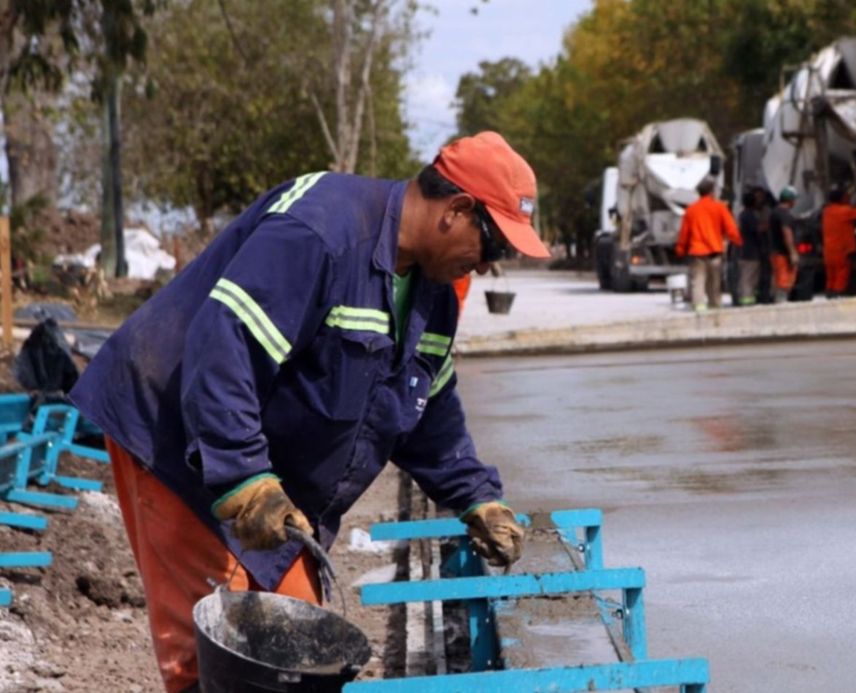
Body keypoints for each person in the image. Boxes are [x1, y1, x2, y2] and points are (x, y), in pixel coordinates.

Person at [69, 132, 541, 692]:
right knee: (219, 653)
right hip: (179, 436)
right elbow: (226, 346)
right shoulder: (322, 229)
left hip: (260, 467)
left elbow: (425, 407)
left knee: (295, 654)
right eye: (493, 247)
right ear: (457, 210)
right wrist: (245, 478)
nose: (488, 266)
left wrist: (476, 496)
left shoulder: (434, 295)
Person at [676, 176, 740, 311]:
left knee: (697, 282)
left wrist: (681, 249)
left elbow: (684, 233)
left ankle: (699, 309)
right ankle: (715, 308)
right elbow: (731, 229)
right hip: (715, 253)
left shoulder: (691, 210)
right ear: (712, 191)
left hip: (697, 253)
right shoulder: (719, 208)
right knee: (715, 284)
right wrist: (739, 242)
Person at [821, 184, 856, 297]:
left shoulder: (826, 211)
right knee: (842, 274)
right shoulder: (845, 211)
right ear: (842, 198)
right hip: (842, 250)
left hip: (828, 250)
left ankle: (829, 293)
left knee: (830, 275)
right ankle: (837, 295)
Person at [736, 187, 773, 306]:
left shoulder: (743, 214)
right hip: (750, 253)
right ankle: (747, 301)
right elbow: (757, 229)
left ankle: (751, 299)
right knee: (748, 278)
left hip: (748, 252)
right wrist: (769, 224)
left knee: (752, 278)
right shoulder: (748, 215)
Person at [769, 186, 802, 302]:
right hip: (783, 254)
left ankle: (779, 301)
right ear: (790, 200)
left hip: (776, 252)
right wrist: (792, 252)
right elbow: (787, 233)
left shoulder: (775, 212)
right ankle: (781, 305)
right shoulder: (784, 214)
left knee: (779, 280)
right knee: (784, 282)